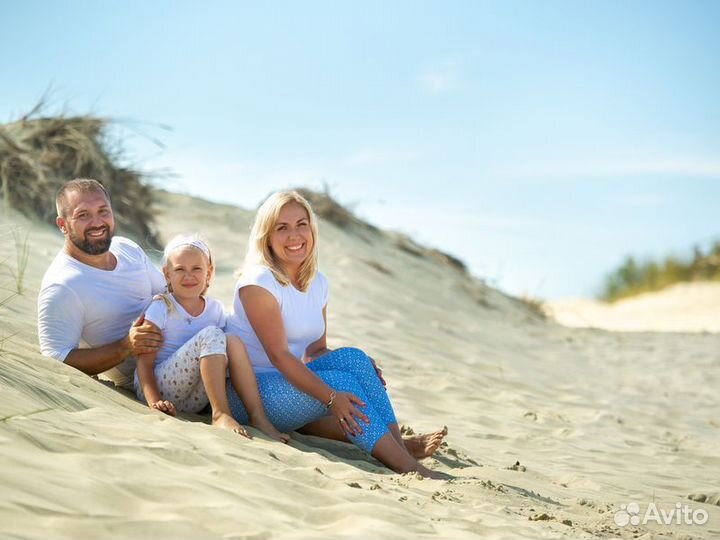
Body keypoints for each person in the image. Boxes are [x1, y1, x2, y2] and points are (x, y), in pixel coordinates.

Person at [225, 191, 449, 479]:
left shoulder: (317, 282)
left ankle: (399, 451)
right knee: (341, 384)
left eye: (301, 224)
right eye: (282, 228)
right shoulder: (258, 282)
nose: (294, 235)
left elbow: (314, 352)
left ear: (312, 230)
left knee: (355, 360)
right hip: (248, 395)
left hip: (285, 385)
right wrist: (332, 398)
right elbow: (280, 357)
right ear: (267, 236)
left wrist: (362, 367)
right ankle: (408, 467)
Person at [135, 234, 289, 442]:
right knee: (213, 335)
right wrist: (154, 402)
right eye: (180, 269)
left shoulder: (215, 309)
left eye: (196, 269)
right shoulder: (161, 307)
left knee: (232, 340)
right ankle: (220, 415)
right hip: (159, 387)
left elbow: (220, 355)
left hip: (193, 400)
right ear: (167, 275)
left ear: (209, 273)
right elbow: (144, 363)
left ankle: (258, 417)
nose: (188, 275)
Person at [38, 178, 165, 388]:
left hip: (186, 346)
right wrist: (125, 347)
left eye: (103, 211)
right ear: (63, 225)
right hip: (153, 379)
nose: (97, 222)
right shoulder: (62, 285)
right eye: (83, 215)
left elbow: (167, 292)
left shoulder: (126, 248)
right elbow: (56, 358)